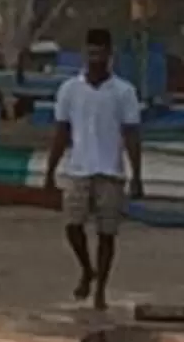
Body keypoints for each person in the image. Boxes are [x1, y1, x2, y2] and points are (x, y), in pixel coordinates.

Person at [47, 27, 144, 311]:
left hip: (110, 170)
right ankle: (87, 270)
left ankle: (101, 287)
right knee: (73, 226)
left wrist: (137, 175)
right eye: (91, 53)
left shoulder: (124, 92)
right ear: (84, 54)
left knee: (107, 233)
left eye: (100, 53)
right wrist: (50, 170)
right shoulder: (70, 89)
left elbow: (132, 135)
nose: (95, 58)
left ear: (109, 55)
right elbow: (61, 132)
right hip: (79, 167)